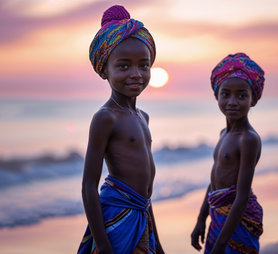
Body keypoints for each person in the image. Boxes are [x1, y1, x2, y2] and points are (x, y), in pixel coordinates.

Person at [78, 5, 164, 254]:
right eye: (124, 66)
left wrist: (156, 240)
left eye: (144, 66)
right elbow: (88, 186)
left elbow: (145, 194)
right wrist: (103, 243)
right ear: (104, 69)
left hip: (141, 216)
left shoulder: (143, 117)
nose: (136, 74)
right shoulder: (106, 118)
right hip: (117, 218)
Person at [191, 53, 265, 254]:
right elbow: (214, 182)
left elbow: (241, 197)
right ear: (217, 95)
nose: (232, 101)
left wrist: (221, 244)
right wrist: (201, 219)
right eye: (226, 94)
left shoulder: (248, 139)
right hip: (218, 216)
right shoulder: (224, 134)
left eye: (241, 95)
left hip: (236, 219)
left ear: (253, 99)